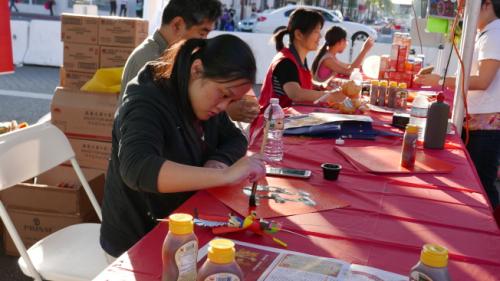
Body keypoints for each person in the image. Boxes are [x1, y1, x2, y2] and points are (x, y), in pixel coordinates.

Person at [100, 35, 267, 259]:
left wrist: (217, 163)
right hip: (138, 239)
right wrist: (225, 175)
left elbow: (235, 138)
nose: (223, 106)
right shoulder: (145, 98)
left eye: (231, 101)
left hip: (187, 224)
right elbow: (137, 168)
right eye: (224, 95)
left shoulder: (201, 98)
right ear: (197, 69)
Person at [414, 0, 500, 209]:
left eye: (467, 5)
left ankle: (491, 235)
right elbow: (472, 73)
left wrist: (441, 80)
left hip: (486, 126)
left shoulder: (494, 33)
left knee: (482, 186)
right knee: (477, 184)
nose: (462, 11)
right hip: (478, 122)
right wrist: (439, 75)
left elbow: (483, 80)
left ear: (485, 4)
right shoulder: (487, 33)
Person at [120, 0, 259, 123]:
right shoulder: (149, 61)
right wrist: (225, 111)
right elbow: (159, 118)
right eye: (202, 33)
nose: (203, 41)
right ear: (177, 25)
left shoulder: (178, 58)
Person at [259, 9, 355, 109]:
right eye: (316, 31)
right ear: (299, 35)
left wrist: (321, 85)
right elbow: (296, 94)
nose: (320, 36)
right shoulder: (285, 62)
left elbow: (300, 82)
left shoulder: (300, 59)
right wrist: (329, 95)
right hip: (271, 122)